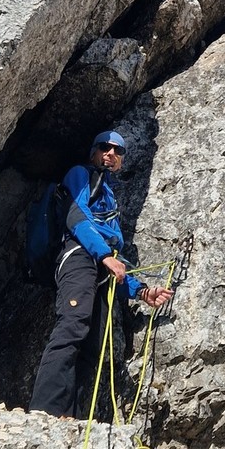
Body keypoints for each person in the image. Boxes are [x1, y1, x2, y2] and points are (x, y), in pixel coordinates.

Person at [29, 130, 171, 418]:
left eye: (118, 151)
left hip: (100, 268)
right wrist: (104, 254)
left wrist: (141, 291)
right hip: (78, 255)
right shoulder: (81, 174)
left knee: (93, 347)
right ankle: (46, 410)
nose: (111, 154)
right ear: (93, 152)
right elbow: (75, 215)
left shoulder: (109, 196)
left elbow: (115, 262)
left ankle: (69, 416)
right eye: (104, 147)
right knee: (72, 324)